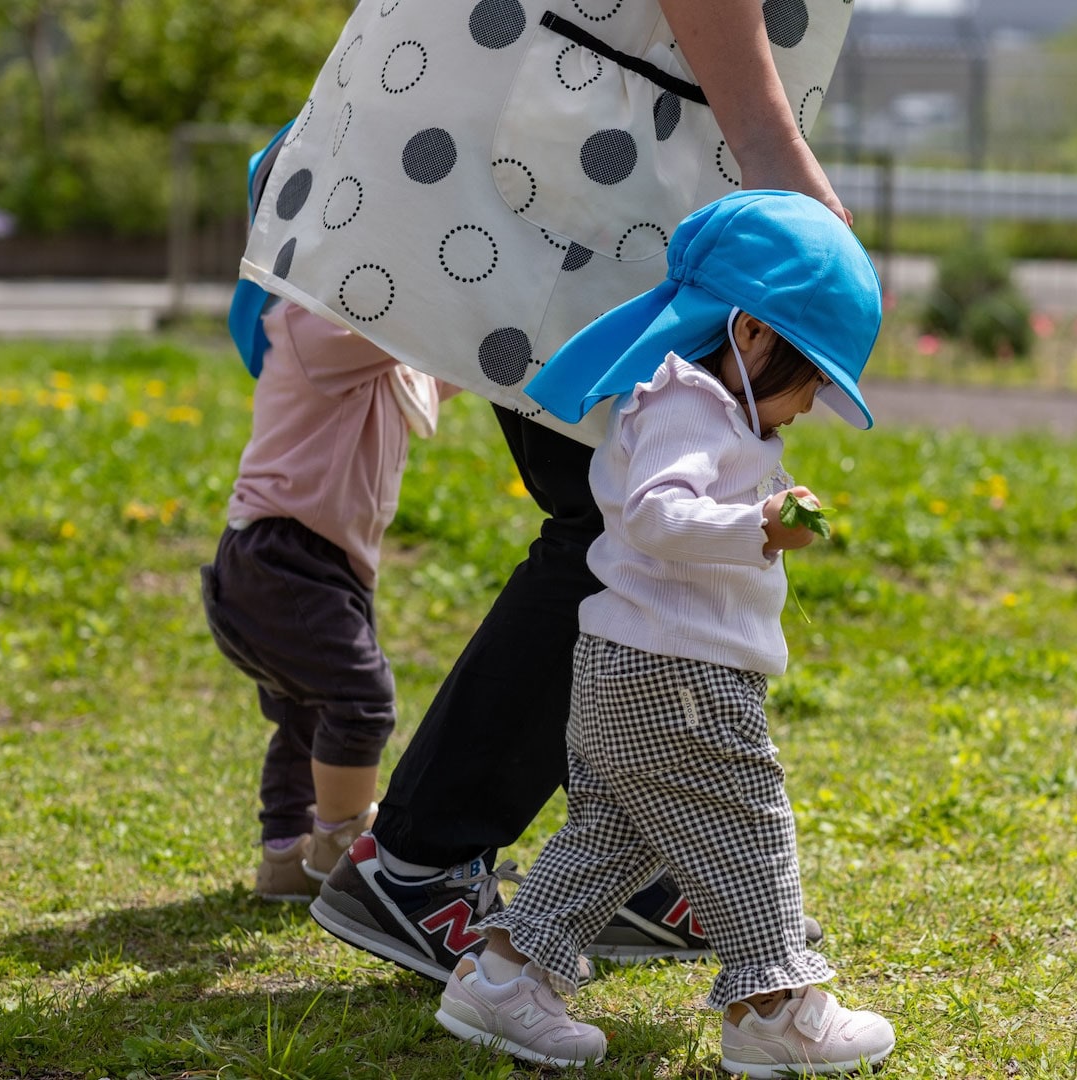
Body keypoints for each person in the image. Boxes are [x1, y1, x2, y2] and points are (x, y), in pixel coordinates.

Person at [234, 0, 861, 976]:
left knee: (602, 507)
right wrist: (771, 144)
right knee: (611, 519)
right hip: (580, 134)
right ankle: (419, 860)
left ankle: (612, 875)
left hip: (593, 124)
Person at [433, 190, 892, 1075]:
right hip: (678, 678)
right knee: (746, 826)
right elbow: (654, 515)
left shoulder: (705, 406)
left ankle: (502, 981)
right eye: (812, 381)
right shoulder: (686, 402)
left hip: (627, 670)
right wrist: (757, 525)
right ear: (752, 333)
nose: (806, 408)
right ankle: (775, 1010)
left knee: (609, 839)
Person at [200, 301, 457, 902]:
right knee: (360, 700)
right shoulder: (307, 322)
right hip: (281, 556)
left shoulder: (374, 350)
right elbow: (435, 334)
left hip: (321, 562)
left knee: (304, 713)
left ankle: (285, 856)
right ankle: (342, 841)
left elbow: (444, 373)